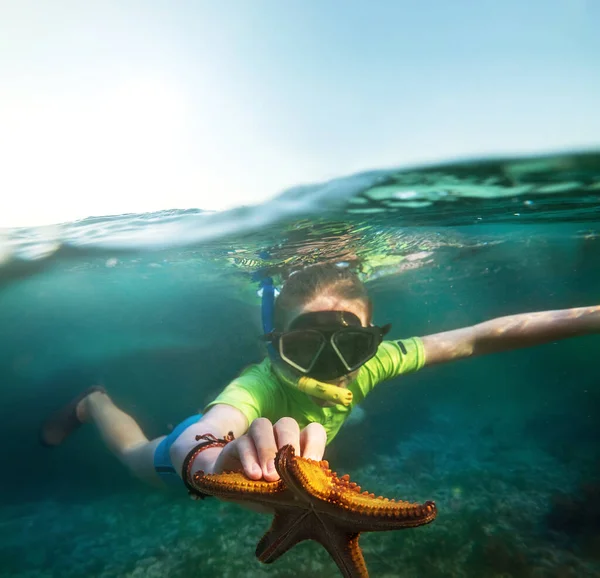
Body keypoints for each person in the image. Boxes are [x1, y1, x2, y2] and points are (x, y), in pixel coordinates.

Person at [40, 263, 600, 493]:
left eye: (351, 345)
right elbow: (212, 425)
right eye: (306, 347)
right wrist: (213, 460)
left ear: (372, 342)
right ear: (276, 343)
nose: (332, 364)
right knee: (137, 455)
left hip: (279, 450)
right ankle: (92, 401)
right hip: (212, 455)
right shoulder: (257, 383)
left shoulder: (379, 361)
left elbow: (486, 334)